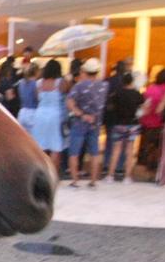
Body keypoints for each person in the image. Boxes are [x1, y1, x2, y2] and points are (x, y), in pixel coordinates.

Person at [66, 58, 109, 187]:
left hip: (80, 121)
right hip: (96, 122)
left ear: (85, 70)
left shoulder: (79, 85)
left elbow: (70, 102)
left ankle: (75, 180)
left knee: (74, 152)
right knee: (94, 152)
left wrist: (81, 113)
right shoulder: (104, 85)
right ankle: (93, 180)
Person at [104, 72, 144, 184]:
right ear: (132, 81)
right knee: (129, 151)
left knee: (116, 149)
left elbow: (111, 106)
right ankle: (127, 177)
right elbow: (142, 107)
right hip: (132, 123)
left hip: (119, 123)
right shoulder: (137, 94)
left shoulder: (117, 93)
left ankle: (110, 175)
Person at [31, 59, 66, 178]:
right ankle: (53, 175)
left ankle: (41, 173)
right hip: (54, 115)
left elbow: (37, 98)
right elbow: (66, 92)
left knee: (40, 146)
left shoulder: (38, 83)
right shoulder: (60, 82)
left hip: (40, 114)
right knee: (55, 146)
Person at [137, 68, 165, 173]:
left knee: (147, 145)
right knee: (159, 146)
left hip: (147, 122)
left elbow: (144, 104)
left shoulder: (151, 89)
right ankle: (156, 166)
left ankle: (145, 166)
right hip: (162, 123)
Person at [16, 62, 39, 132]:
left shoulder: (21, 83)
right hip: (32, 112)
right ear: (36, 72)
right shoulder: (35, 84)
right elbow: (37, 98)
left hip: (22, 112)